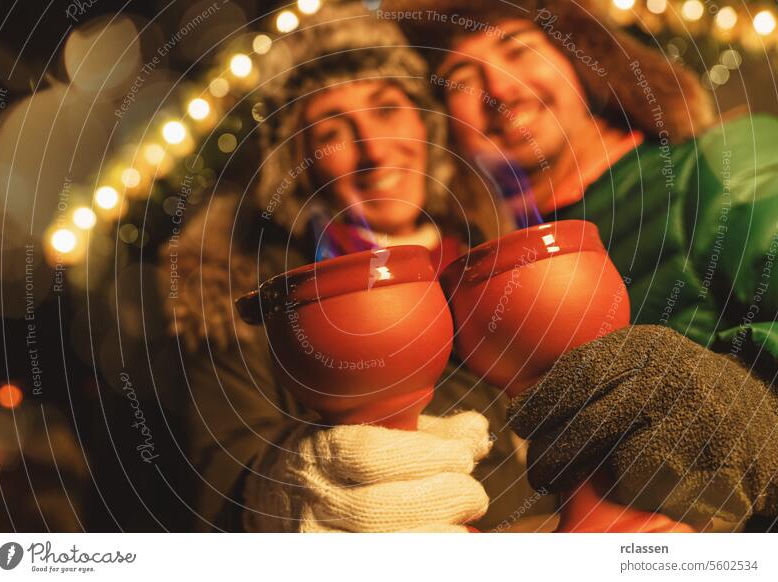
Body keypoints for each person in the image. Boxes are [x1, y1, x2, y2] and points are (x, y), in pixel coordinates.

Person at [162, 2, 559, 532]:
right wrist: (302, 486)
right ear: (298, 168)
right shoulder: (243, 300)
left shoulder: (493, 256)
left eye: (387, 108)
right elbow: (222, 476)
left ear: (423, 123)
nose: (374, 149)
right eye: (331, 132)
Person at [387, 0, 778, 529]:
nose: (498, 90)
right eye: (460, 78)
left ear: (585, 64)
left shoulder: (722, 163)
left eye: (517, 50)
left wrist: (752, 417)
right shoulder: (479, 282)